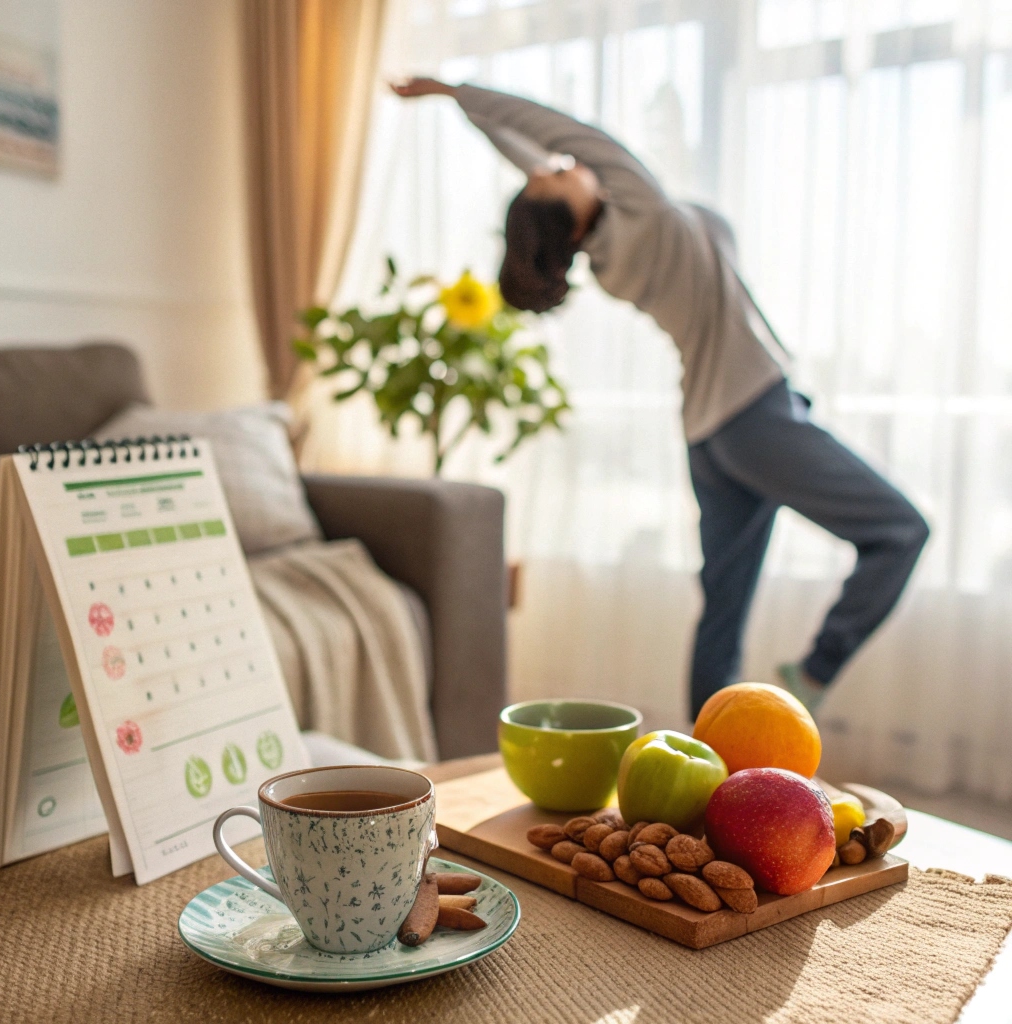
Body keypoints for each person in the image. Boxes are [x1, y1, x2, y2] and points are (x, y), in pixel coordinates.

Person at [392, 77, 930, 720]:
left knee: (722, 610)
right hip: (754, 413)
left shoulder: (608, 249)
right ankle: (815, 670)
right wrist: (455, 88)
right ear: (566, 207)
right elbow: (561, 132)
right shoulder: (643, 211)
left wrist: (461, 107)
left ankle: (705, 763)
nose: (566, 163)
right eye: (560, 173)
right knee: (901, 529)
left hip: (711, 435)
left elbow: (536, 160)